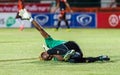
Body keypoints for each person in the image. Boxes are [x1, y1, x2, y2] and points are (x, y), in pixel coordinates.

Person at [18, 8, 110, 63]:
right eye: (46, 58)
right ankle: (100, 57)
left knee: (57, 53)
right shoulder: (55, 58)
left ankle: (68, 53)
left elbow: (40, 29)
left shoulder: (50, 42)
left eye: (44, 54)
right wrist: (54, 55)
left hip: (70, 45)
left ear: (44, 51)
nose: (46, 56)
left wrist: (30, 19)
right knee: (73, 61)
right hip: (76, 52)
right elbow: (61, 59)